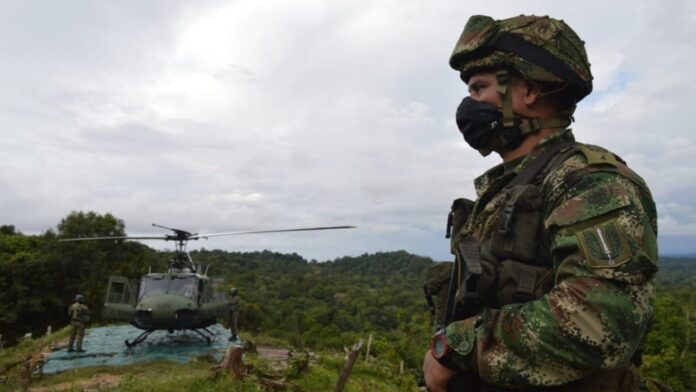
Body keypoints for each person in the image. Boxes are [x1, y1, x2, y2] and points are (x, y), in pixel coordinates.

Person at [423, 15, 661, 391]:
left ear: (528, 90)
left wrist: (457, 345)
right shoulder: (509, 187)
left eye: (479, 88)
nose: (469, 104)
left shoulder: (589, 182)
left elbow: (601, 321)